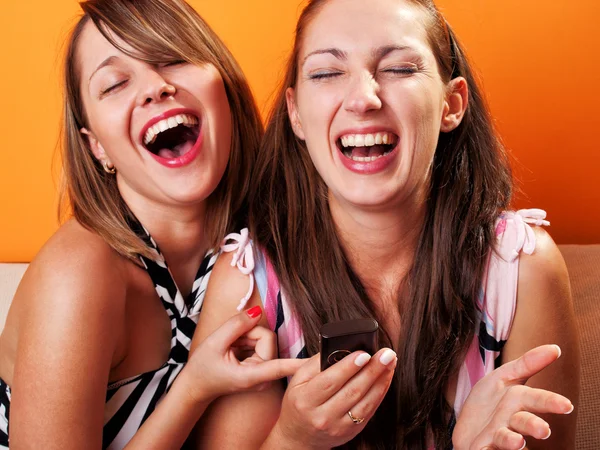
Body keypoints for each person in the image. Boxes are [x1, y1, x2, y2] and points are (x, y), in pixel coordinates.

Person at [189, 0, 580, 449]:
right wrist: (292, 440)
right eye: (326, 73)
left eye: (398, 68)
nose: (363, 99)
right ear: (296, 113)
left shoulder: (522, 269)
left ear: (452, 104)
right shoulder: (248, 282)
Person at [0, 0, 304, 448]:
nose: (155, 87)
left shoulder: (249, 254)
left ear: (223, 87)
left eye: (174, 58)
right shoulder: (79, 273)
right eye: (116, 83)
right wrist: (195, 386)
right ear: (96, 147)